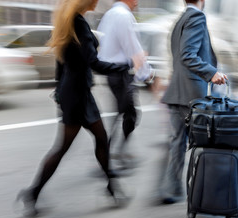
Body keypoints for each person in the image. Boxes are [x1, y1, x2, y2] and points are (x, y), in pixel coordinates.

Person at [16, 0, 130, 217]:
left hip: (75, 93)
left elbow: (61, 62)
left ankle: (111, 186)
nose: (97, 2)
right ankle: (33, 192)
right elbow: (94, 62)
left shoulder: (68, 22)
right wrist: (123, 66)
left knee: (100, 139)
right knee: (67, 146)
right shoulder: (79, 24)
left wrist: (60, 91)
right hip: (78, 95)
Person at [159, 0, 227, 204]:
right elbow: (187, 55)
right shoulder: (197, 17)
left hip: (177, 91)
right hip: (191, 94)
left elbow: (178, 56)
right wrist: (211, 73)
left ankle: (171, 188)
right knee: (206, 141)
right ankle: (209, 193)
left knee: (178, 142)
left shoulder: (180, 19)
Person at [97, 0, 151, 169]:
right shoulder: (124, 15)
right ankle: (114, 152)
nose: (137, 2)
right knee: (130, 114)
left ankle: (114, 151)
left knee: (123, 112)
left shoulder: (109, 15)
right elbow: (132, 48)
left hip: (112, 72)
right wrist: (146, 73)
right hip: (121, 73)